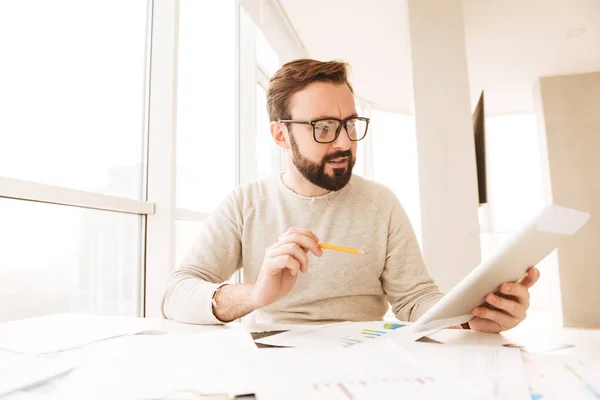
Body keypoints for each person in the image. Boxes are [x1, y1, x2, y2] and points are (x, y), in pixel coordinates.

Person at [162, 59, 540, 332]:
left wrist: (473, 318)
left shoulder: (381, 204)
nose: (344, 142)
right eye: (323, 127)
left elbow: (413, 300)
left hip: (365, 369)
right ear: (281, 135)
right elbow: (177, 294)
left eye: (349, 124)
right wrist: (254, 295)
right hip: (270, 367)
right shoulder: (245, 204)